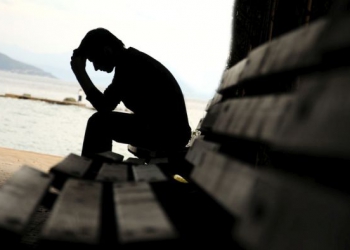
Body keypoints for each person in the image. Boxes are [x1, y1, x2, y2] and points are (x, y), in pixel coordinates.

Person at [70, 27, 192, 159]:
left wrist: (80, 73)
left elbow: (104, 106)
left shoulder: (130, 65)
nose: (96, 68)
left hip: (168, 135)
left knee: (98, 123)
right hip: (171, 132)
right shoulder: (130, 61)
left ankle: (91, 172)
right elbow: (106, 103)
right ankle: (95, 169)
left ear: (107, 50)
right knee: (100, 122)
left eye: (94, 60)